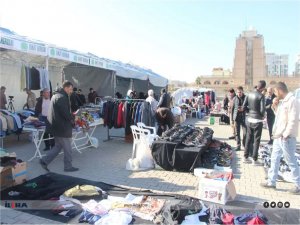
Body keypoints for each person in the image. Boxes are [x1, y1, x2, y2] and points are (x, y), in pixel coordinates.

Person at [261, 82, 300, 194]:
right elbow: (280, 117)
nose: (275, 94)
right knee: (274, 158)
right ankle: (271, 181)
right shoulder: (284, 101)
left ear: (280, 90)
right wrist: (275, 106)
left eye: (275, 92)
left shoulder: (292, 101)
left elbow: (293, 119)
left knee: (291, 161)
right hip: (279, 136)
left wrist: (286, 134)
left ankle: (298, 185)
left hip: (286, 137)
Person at [40, 81, 79, 172]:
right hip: (62, 128)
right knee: (68, 148)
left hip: (56, 127)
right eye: (70, 89)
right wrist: (74, 117)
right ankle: (68, 167)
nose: (71, 91)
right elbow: (65, 113)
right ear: (66, 88)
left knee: (58, 146)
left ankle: (44, 161)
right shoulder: (62, 97)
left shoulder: (55, 95)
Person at [243, 80, 266, 165]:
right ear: (263, 88)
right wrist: (262, 115)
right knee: (256, 140)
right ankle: (254, 159)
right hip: (257, 120)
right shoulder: (261, 96)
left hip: (249, 118)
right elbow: (262, 110)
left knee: (248, 138)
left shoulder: (249, 93)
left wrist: (250, 112)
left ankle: (245, 157)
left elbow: (244, 106)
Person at [231, 86, 246, 151]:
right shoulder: (234, 98)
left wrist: (243, 109)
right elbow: (232, 109)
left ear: (242, 91)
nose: (239, 93)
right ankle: (238, 145)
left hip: (244, 117)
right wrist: (232, 119)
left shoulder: (246, 98)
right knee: (237, 133)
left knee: (245, 133)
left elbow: (248, 107)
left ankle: (244, 144)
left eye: (240, 92)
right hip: (236, 118)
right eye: (238, 92)